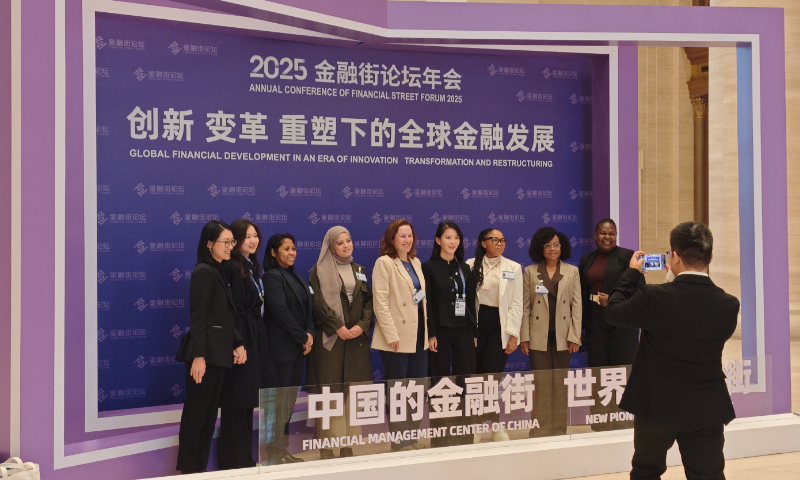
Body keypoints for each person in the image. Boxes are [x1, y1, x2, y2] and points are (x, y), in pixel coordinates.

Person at [605, 222, 739, 480]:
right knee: (708, 474)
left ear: (674, 256)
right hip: (705, 405)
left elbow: (613, 312)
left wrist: (632, 273)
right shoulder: (728, 304)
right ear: (710, 256)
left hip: (655, 405)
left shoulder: (653, 297)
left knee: (646, 472)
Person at [176, 221, 246, 474]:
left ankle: (199, 470)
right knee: (196, 417)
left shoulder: (219, 270)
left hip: (218, 355)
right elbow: (200, 317)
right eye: (225, 242)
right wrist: (199, 356)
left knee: (208, 419)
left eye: (232, 242)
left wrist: (237, 343)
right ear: (209, 244)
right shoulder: (204, 272)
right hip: (205, 356)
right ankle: (188, 471)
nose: (230, 247)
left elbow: (224, 316)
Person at [306, 226, 374, 459]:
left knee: (352, 392)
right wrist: (336, 326)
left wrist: (362, 325)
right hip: (331, 340)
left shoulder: (360, 270)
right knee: (329, 390)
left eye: (349, 241)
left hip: (355, 339)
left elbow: (368, 302)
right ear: (331, 246)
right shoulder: (318, 271)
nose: (346, 245)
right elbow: (317, 303)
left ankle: (347, 443)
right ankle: (327, 444)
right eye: (340, 242)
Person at [216, 219, 270, 469]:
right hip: (240, 337)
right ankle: (233, 461)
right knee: (237, 399)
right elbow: (231, 310)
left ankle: (245, 458)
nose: (253, 240)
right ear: (235, 240)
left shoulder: (251, 266)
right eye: (247, 236)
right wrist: (237, 342)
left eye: (255, 235)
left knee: (248, 399)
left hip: (253, 333)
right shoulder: (231, 267)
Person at [371, 219, 428, 451]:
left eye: (410, 235)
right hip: (396, 336)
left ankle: (411, 436)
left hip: (418, 334)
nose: (407, 240)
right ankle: (398, 439)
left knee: (416, 387)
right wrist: (390, 333)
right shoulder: (384, 263)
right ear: (392, 238)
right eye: (402, 235)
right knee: (397, 389)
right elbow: (380, 302)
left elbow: (422, 300)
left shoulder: (416, 262)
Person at [520, 226, 581, 437]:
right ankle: (540, 428)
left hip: (563, 336)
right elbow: (525, 307)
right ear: (541, 248)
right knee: (541, 384)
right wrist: (524, 337)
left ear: (562, 247)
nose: (552, 249)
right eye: (548, 245)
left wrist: (575, 336)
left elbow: (577, 307)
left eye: (556, 245)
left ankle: (558, 428)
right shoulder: (530, 272)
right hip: (539, 336)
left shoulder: (572, 271)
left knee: (560, 383)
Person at [422, 221, 477, 447]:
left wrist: (474, 332)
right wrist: (431, 333)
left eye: (456, 238)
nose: (452, 242)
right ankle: (441, 435)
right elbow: (427, 303)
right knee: (440, 381)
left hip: (464, 329)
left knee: (466, 380)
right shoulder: (428, 267)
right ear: (438, 240)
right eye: (447, 237)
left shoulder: (464, 268)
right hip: (440, 331)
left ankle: (465, 433)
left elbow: (471, 301)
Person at [466, 227, 523, 442]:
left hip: (500, 327)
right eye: (494, 240)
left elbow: (516, 303)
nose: (500, 244)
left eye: (502, 240)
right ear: (483, 243)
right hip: (475, 326)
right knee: (474, 378)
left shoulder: (513, 267)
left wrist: (513, 335)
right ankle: (474, 424)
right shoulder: (470, 265)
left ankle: (495, 424)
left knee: (491, 377)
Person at [262, 233, 315, 465]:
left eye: (293, 248)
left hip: (297, 348)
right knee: (278, 402)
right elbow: (280, 311)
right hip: (281, 349)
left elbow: (308, 310)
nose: (292, 252)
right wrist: (301, 337)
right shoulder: (272, 276)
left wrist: (310, 334)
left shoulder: (295, 276)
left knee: (289, 401)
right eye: (286, 249)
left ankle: (281, 449)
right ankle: (274, 451)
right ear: (274, 252)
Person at [579, 218, 643, 368]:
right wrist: (579, 326)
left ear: (616, 235)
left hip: (621, 318)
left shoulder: (629, 257)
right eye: (603, 233)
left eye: (611, 234)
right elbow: (581, 293)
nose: (607, 237)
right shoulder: (586, 259)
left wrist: (613, 300)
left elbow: (640, 291)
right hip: (594, 319)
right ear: (595, 235)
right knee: (598, 366)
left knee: (622, 365)